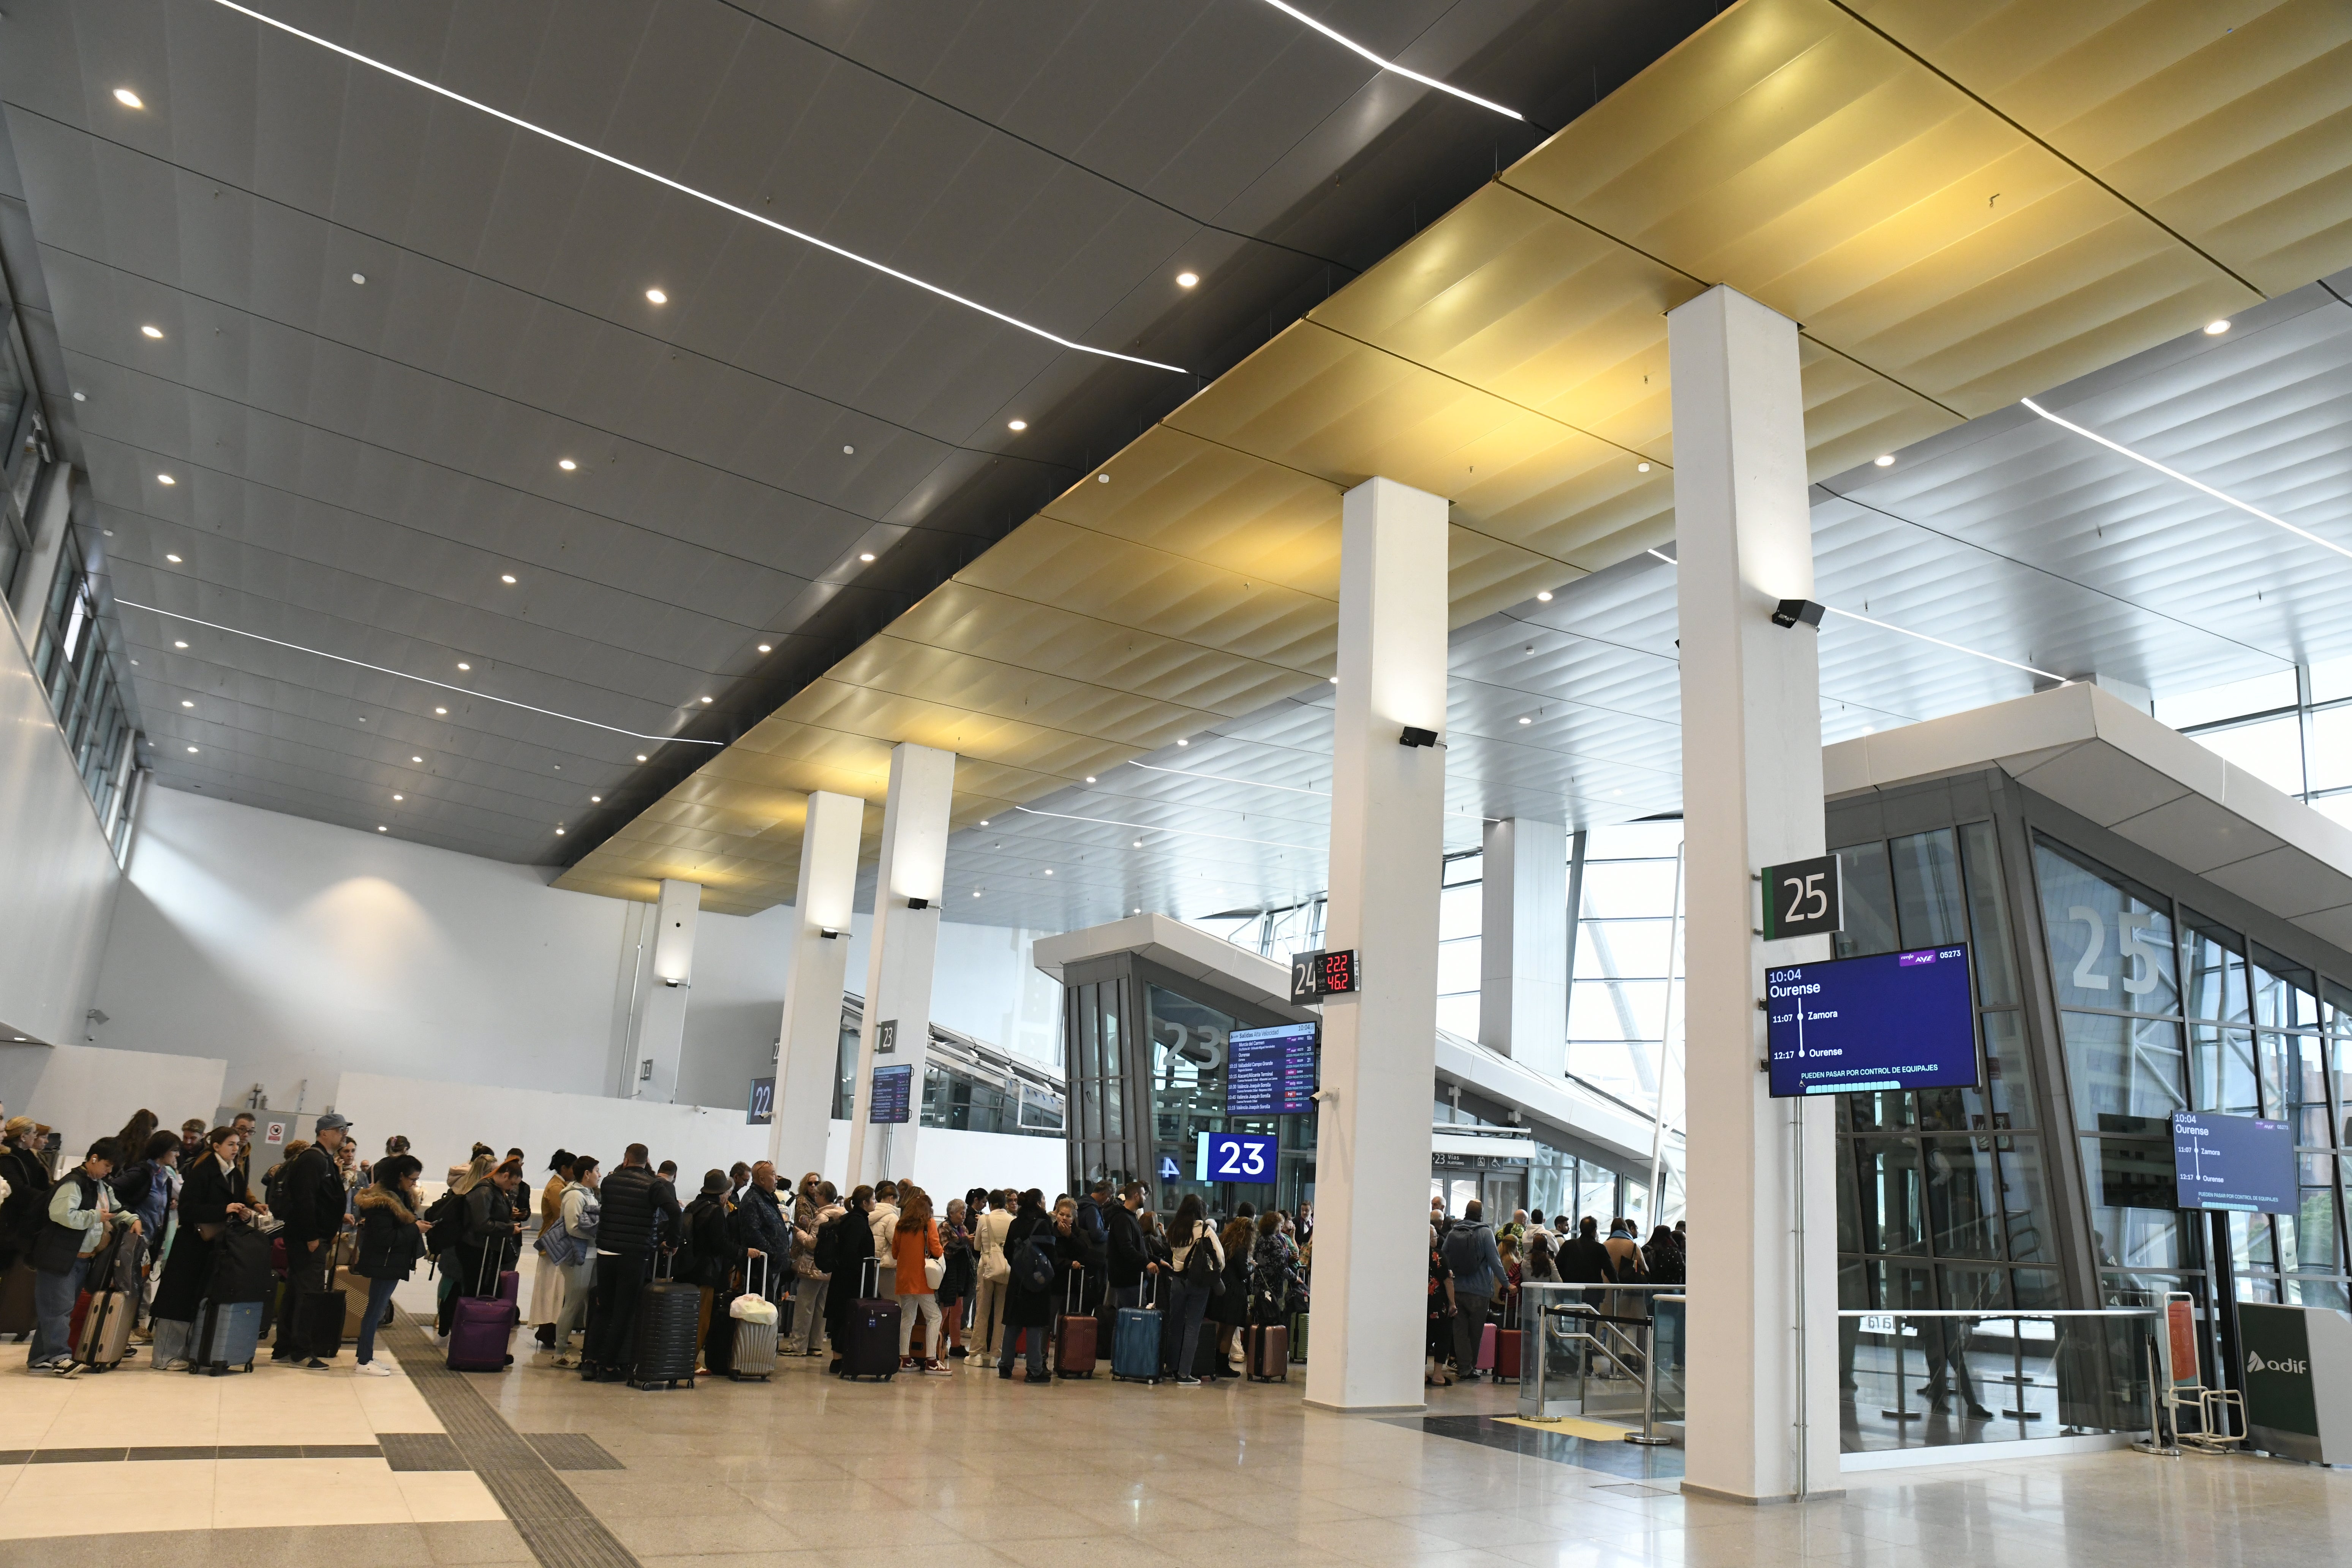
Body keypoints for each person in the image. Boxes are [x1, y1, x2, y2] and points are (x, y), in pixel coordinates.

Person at [28, 1137, 141, 1371]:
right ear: (94, 1159)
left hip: (80, 1258)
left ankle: (39, 1358)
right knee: (58, 1310)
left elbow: (115, 1209)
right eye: (107, 1166)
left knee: (57, 1309)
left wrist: (133, 1219)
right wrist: (94, 1217)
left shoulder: (100, 1185)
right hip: (59, 1257)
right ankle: (60, 1358)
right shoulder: (73, 1184)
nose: (109, 1171)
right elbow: (61, 1215)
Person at [148, 1127, 254, 1371]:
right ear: (216, 1146)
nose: (236, 1148)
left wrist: (244, 1213)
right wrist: (223, 1210)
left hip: (215, 1246)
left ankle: (188, 1352)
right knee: (178, 1299)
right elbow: (187, 1210)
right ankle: (164, 1356)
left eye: (238, 1144)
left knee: (199, 1300)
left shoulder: (235, 1174)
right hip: (191, 1244)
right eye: (231, 1144)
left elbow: (235, 1204)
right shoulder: (202, 1170)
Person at [581, 1143, 680, 1381]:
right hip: (634, 1255)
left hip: (606, 1252)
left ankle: (589, 1361)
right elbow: (675, 1212)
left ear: (626, 1160)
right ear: (647, 1162)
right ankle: (608, 1367)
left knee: (603, 1308)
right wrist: (672, 1241)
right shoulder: (654, 1185)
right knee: (623, 1313)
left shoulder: (609, 1182)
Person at [274, 1112, 352, 1369]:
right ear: (324, 1133)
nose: (344, 1135)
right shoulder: (313, 1159)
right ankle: (301, 1351)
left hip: (313, 1236)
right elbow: (304, 1199)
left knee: (297, 1291)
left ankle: (285, 1347)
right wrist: (311, 1236)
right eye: (340, 1130)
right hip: (309, 1238)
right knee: (309, 1293)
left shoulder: (324, 1160)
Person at [352, 1154, 432, 1376]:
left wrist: (416, 1225)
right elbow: (385, 1237)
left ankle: (366, 1356)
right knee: (375, 1311)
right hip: (384, 1262)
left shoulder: (399, 1197)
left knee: (377, 1310)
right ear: (400, 1176)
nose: (414, 1184)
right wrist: (415, 1229)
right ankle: (363, 1360)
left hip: (391, 1262)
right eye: (412, 1179)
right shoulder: (383, 1202)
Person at [682, 1170, 742, 1376]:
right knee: (702, 1319)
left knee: (686, 1317)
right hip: (706, 1273)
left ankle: (681, 1358)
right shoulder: (715, 1211)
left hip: (688, 1269)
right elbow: (720, 1243)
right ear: (722, 1192)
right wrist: (742, 1252)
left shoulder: (693, 1206)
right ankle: (691, 1363)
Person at [1439, 1198, 1504, 1381]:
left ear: (1467, 1214)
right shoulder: (1485, 1233)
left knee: (1459, 1332)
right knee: (1475, 1332)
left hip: (1457, 1290)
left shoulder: (1453, 1233)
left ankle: (1464, 1367)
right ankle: (1469, 1368)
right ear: (1481, 1215)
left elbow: (1444, 1257)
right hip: (1480, 1291)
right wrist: (1507, 1284)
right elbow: (1495, 1262)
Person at [995, 1189, 1056, 1383]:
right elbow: (1051, 1254)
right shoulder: (1044, 1223)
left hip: (1017, 1280)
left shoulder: (1015, 1223)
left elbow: (1008, 1252)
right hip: (1037, 1282)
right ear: (1039, 1203)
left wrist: (1020, 1268)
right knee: (1034, 1325)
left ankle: (1005, 1366)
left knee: (1013, 1324)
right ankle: (1034, 1370)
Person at [1162, 1193, 1223, 1387]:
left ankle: (1170, 1367)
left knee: (1175, 1325)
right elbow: (1220, 1258)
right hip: (1198, 1283)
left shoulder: (1174, 1229)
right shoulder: (1205, 1230)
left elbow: (1171, 1252)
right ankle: (1185, 1373)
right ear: (1200, 1210)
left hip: (1177, 1281)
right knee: (1192, 1327)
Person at [547, 1155, 602, 1366]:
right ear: (587, 1174)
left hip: (591, 1254)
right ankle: (560, 1352)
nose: (599, 1174)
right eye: (597, 1170)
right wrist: (598, 1235)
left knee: (590, 1302)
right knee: (573, 1302)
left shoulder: (590, 1195)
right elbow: (572, 1227)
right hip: (579, 1256)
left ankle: (589, 1347)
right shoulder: (574, 1196)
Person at [820, 1186, 876, 1372]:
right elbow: (851, 1252)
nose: (876, 1202)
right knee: (845, 1318)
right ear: (865, 1203)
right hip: (852, 1280)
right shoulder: (857, 1222)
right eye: (873, 1199)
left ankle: (840, 1359)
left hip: (846, 1278)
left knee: (843, 1318)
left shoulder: (854, 1220)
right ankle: (839, 1360)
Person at [891, 1185, 947, 1372]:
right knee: (935, 1316)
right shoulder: (929, 1224)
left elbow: (895, 1253)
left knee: (908, 1317)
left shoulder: (901, 1225)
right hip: (922, 1279)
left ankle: (904, 1359)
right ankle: (932, 1360)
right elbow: (937, 1249)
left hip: (904, 1279)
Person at [787, 1177, 838, 1358]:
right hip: (829, 1269)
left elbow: (812, 1243)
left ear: (823, 1196)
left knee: (804, 1307)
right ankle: (816, 1346)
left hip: (813, 1268)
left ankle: (798, 1346)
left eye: (817, 1194)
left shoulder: (822, 1217)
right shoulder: (839, 1214)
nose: (815, 1196)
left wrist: (798, 1231)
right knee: (820, 1309)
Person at [730, 1161, 791, 1311]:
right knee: (761, 1311)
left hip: (773, 1267)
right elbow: (753, 1234)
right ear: (762, 1179)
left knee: (770, 1309)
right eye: (773, 1174)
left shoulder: (767, 1197)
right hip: (762, 1267)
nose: (777, 1178)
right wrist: (773, 1255)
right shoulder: (753, 1200)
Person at [531, 1151, 576, 1348]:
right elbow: (564, 1216)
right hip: (553, 1246)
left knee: (556, 1290)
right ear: (564, 1169)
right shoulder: (556, 1188)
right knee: (551, 1290)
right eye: (573, 1169)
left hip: (558, 1246)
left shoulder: (562, 1186)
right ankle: (547, 1330)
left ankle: (551, 1330)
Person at [971, 1188, 1015, 1356]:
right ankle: (998, 1351)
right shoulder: (1012, 1220)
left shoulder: (984, 1219)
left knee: (982, 1311)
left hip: (987, 1266)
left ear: (991, 1204)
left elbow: (976, 1246)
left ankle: (976, 1351)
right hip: (1006, 1268)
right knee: (1001, 1313)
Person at [1209, 1214, 1252, 1377]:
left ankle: (1214, 1362)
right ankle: (1223, 1366)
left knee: (1221, 1330)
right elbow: (1244, 1273)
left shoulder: (1225, 1243)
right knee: (1229, 1331)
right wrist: (1253, 1267)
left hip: (1222, 1290)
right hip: (1235, 1294)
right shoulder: (1241, 1248)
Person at [936, 1197, 975, 1358]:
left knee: (958, 1310)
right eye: (961, 1213)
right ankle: (936, 1341)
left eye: (965, 1212)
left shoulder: (963, 1227)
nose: (964, 1216)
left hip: (961, 1274)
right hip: (948, 1273)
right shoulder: (944, 1227)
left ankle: (956, 1345)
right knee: (944, 1310)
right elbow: (947, 1249)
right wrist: (965, 1241)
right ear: (951, 1213)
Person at [1104, 1182, 1150, 1313]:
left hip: (1128, 1278)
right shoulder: (1123, 1218)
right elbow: (1127, 1248)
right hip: (1129, 1279)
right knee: (1135, 1318)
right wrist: (1147, 1263)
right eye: (1143, 1194)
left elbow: (1138, 1248)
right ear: (1136, 1196)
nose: (1145, 1198)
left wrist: (1156, 1261)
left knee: (1123, 1320)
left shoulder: (1130, 1217)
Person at [1425, 1223, 1456, 1387]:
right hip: (1439, 1306)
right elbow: (1448, 1280)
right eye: (1436, 1237)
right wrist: (1452, 1304)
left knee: (1423, 1338)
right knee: (1443, 1337)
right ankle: (1438, 1375)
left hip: (1420, 1306)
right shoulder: (1439, 1256)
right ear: (1431, 1241)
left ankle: (1420, 1374)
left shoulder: (1414, 1254)